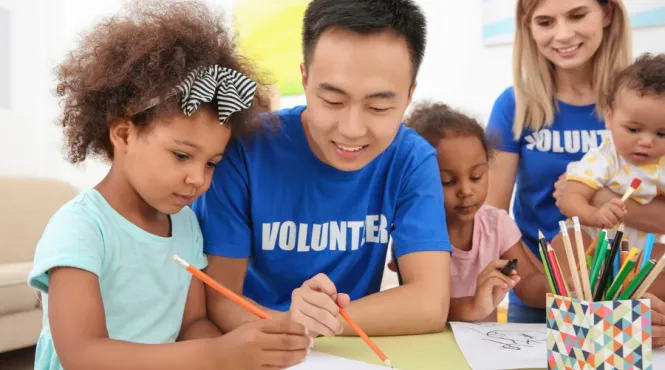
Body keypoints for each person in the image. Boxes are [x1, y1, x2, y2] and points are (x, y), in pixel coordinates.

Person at [27, 2, 310, 369]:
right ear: (124, 133)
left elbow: (193, 325)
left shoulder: (186, 225)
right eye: (181, 155)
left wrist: (243, 354)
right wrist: (217, 353)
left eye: (212, 163)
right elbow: (83, 354)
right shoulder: (81, 228)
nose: (198, 178)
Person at [193, 0, 452, 338]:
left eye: (379, 106)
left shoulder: (411, 159)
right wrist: (288, 326)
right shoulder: (246, 149)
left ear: (409, 96)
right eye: (332, 101)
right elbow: (221, 299)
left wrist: (319, 322)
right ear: (305, 78)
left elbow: (429, 303)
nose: (352, 129)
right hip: (255, 341)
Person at [484, 0, 649, 323]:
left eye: (577, 15)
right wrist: (534, 285)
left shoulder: (644, 104)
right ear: (528, 27)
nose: (562, 35)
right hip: (542, 298)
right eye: (545, 22)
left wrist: (596, 198)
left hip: (630, 294)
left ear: (607, 13)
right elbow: (491, 216)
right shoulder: (513, 106)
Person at [388, 102, 550, 322]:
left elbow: (529, 283)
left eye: (476, 177)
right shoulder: (413, 231)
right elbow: (419, 306)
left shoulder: (496, 224)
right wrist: (473, 304)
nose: (466, 191)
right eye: (447, 181)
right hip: (428, 346)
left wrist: (570, 289)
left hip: (483, 349)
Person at [558, 53, 665, 250]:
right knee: (569, 243)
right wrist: (594, 215)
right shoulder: (604, 159)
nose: (647, 142)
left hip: (638, 255)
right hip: (594, 249)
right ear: (609, 117)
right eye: (633, 129)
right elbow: (569, 199)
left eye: (662, 133)